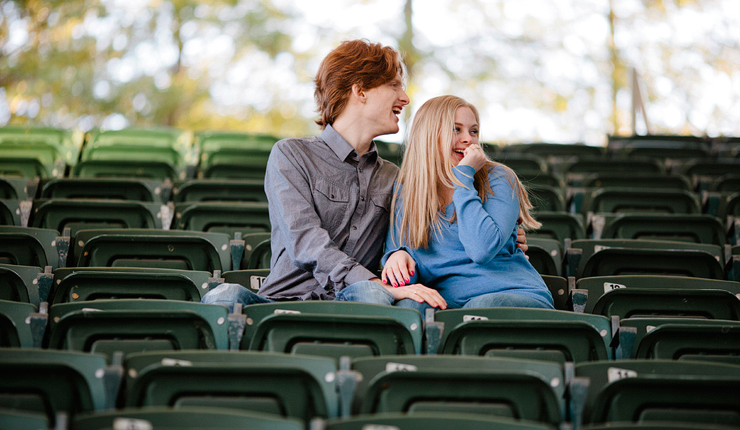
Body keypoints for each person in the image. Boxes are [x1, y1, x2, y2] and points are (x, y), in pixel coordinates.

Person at [203, 39, 447, 310]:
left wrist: (397, 254)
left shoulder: (394, 176)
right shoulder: (291, 154)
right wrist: (374, 283)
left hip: (356, 299)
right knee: (221, 296)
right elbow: (306, 242)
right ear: (360, 90)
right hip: (279, 301)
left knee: (372, 296)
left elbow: (405, 242)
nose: (405, 98)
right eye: (393, 85)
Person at [381, 95, 553, 314]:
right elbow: (405, 271)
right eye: (456, 129)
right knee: (408, 308)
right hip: (448, 304)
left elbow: (481, 250)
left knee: (479, 310)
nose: (468, 139)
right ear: (428, 136)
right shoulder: (408, 192)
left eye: (473, 131)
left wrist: (463, 177)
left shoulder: (499, 178)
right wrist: (397, 255)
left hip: (511, 294)